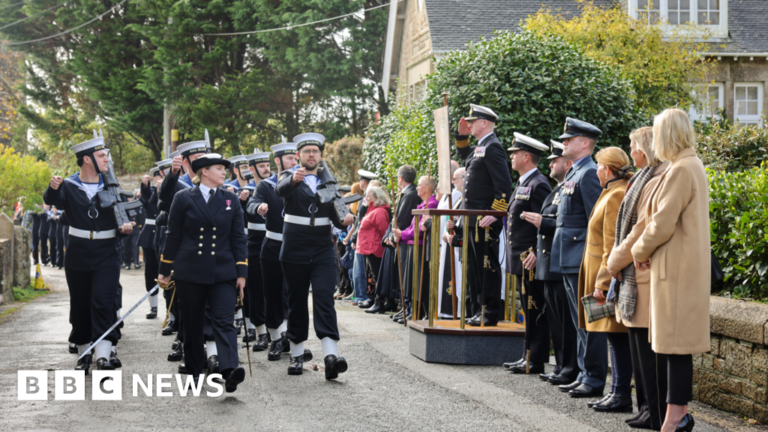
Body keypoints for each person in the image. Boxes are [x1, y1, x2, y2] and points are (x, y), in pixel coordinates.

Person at [631, 109, 710, 432]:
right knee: (674, 346)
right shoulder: (692, 165)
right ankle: (676, 415)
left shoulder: (680, 169)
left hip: (675, 271)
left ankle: (675, 417)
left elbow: (661, 223)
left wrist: (639, 250)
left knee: (673, 347)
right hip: (681, 268)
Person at [44, 133, 134, 373]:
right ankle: (84, 352)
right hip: (78, 253)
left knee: (104, 301)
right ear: (86, 160)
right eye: (102, 156)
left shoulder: (112, 186)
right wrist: (52, 188)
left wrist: (126, 227)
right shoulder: (69, 185)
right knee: (81, 303)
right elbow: (55, 201)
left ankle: (103, 354)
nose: (106, 160)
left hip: (107, 252)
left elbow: (125, 217)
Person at [158, 153, 247, 391]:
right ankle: (195, 370)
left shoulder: (231, 199)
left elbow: (238, 237)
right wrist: (165, 269)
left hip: (223, 271)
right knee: (193, 323)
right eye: (219, 168)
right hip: (191, 271)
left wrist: (242, 273)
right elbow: (173, 235)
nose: (224, 173)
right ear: (204, 172)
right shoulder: (183, 198)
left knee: (224, 321)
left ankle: (229, 370)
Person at [276, 132, 355, 379]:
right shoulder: (289, 177)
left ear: (320, 156)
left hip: (322, 249)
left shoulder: (328, 182)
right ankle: (297, 355)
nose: (311, 155)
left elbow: (338, 217)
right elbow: (280, 191)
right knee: (298, 301)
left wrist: (346, 220)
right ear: (299, 156)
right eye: (307, 151)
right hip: (295, 249)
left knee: (324, 298)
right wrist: (293, 181)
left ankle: (331, 356)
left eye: (315, 151)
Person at [606, 127, 668, 429]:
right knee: (638, 349)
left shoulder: (653, 179)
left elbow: (639, 230)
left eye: (633, 146)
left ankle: (654, 411)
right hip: (633, 274)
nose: (630, 152)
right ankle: (646, 407)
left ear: (643, 150)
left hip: (639, 274)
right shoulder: (644, 178)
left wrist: (613, 262)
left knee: (647, 353)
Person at [551, 117, 606, 398]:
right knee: (579, 321)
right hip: (569, 256)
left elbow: (596, 222)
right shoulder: (576, 173)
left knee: (590, 320)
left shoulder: (589, 173)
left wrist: (594, 260)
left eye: (568, 140)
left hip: (583, 257)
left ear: (585, 143)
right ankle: (585, 373)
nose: (564, 143)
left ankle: (595, 378)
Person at [576, 147, 634, 412]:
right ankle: (616, 392)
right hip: (598, 271)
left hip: (605, 275)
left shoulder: (616, 194)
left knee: (616, 336)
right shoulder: (610, 191)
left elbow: (611, 244)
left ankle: (620, 393)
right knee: (611, 335)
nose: (596, 170)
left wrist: (602, 283)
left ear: (608, 170)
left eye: (599, 166)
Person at [519, 141, 578, 386]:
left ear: (567, 163)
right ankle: (562, 366)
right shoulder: (557, 190)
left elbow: (568, 226)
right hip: (549, 264)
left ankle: (570, 367)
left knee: (565, 322)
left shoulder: (567, 188)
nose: (550, 164)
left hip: (559, 262)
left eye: (555, 160)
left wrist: (542, 222)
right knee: (556, 321)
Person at [453, 104, 512, 327]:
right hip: (472, 219)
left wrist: (495, 213)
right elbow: (466, 155)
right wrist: (461, 135)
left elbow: (504, 185)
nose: (469, 124)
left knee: (487, 267)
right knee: (475, 268)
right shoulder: (482, 146)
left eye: (472, 121)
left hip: (484, 220)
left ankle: (489, 312)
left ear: (484, 123)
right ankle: (479, 309)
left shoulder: (493, 147)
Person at [504, 133, 552, 374]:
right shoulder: (524, 182)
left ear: (526, 156)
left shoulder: (538, 184)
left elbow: (546, 223)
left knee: (534, 308)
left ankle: (535, 358)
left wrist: (536, 251)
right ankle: (526, 355)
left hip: (530, 259)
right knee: (527, 307)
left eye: (515, 153)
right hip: (521, 259)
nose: (511, 156)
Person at [247, 141, 297, 361]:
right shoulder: (266, 186)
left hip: (296, 246)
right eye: (289, 159)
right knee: (273, 294)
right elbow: (252, 203)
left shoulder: (303, 183)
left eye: (296, 158)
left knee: (294, 296)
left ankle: (295, 339)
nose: (294, 162)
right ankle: (276, 339)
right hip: (273, 245)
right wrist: (258, 208)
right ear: (277, 161)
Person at [393, 176, 438, 320]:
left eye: (419, 185)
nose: (417, 187)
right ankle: (412, 310)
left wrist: (402, 233)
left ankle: (420, 311)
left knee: (419, 281)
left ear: (428, 188)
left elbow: (419, 230)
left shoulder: (431, 205)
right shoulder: (422, 204)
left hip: (420, 246)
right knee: (412, 281)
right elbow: (413, 227)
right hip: (413, 246)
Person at [242, 149, 272, 351]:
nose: (266, 169)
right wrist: (241, 201)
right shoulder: (245, 191)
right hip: (253, 243)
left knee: (277, 291)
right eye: (261, 166)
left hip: (274, 242)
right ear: (252, 169)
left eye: (268, 165)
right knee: (256, 291)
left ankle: (279, 331)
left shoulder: (275, 186)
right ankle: (261, 333)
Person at [391, 165, 421, 323]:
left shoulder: (410, 194)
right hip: (402, 237)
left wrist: (396, 233)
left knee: (405, 276)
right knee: (402, 275)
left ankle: (408, 307)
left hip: (405, 238)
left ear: (401, 178)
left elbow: (402, 219)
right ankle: (405, 306)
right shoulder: (408, 193)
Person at [357, 186, 391, 313]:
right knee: (373, 276)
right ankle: (377, 301)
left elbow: (384, 231)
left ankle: (379, 302)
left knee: (377, 276)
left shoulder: (379, 212)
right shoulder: (373, 210)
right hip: (369, 248)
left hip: (375, 248)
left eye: (368, 197)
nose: (365, 199)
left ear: (376, 198)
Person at [349, 169, 378, 308]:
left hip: (363, 237)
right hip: (360, 236)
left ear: (363, 182)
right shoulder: (366, 198)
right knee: (358, 268)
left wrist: (354, 237)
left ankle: (361, 295)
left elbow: (361, 220)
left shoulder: (367, 198)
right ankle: (359, 294)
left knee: (360, 268)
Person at [139, 167, 162, 319]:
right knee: (150, 273)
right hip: (150, 234)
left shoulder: (175, 189)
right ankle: (153, 306)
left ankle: (172, 310)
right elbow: (147, 196)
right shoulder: (151, 191)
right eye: (159, 176)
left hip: (166, 234)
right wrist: (145, 185)